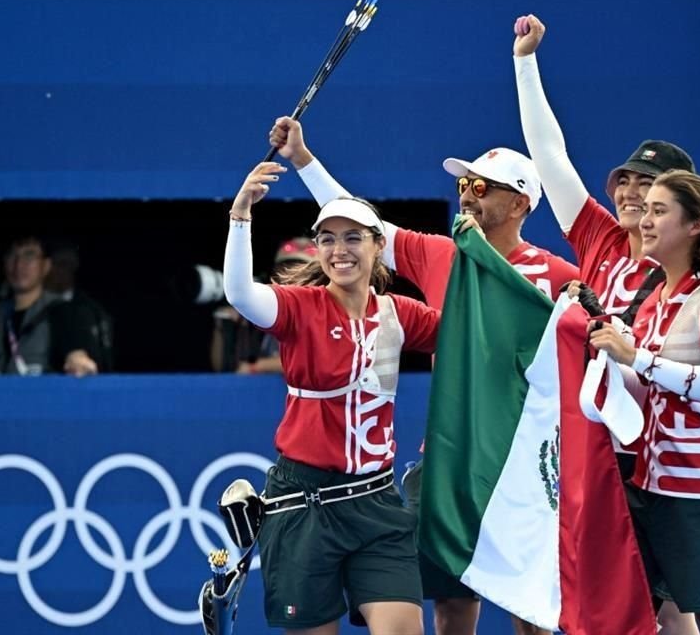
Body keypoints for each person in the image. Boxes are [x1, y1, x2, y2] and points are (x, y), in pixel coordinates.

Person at [270, 117, 578, 635]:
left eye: (482, 187)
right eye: (463, 185)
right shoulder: (443, 254)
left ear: (521, 203)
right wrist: (302, 159)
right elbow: (363, 225)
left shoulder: (560, 278)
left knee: (532, 613)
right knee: (452, 607)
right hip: (451, 464)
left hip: (524, 466)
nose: (468, 197)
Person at [511, 15, 700, 632]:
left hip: (659, 456)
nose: (627, 193)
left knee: (674, 607)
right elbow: (549, 155)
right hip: (597, 451)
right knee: (588, 597)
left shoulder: (697, 275)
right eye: (624, 181)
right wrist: (526, 62)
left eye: (646, 188)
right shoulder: (598, 237)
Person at [224, 162, 441, 634]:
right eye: (328, 238)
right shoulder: (298, 307)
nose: (339, 250)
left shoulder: (401, 314)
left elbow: (468, 337)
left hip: (378, 502)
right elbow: (239, 294)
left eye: (353, 238)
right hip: (305, 505)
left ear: (378, 246)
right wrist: (241, 215)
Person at [588, 170, 700, 635]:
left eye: (660, 211)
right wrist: (592, 355)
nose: (645, 220)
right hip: (653, 485)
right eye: (646, 210)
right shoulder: (655, 298)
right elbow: (643, 387)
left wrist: (634, 355)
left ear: (695, 225)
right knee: (657, 616)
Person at [0, 235, 101, 377]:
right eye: (12, 255)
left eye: (29, 256)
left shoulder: (65, 311)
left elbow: (77, 351)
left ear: (46, 265)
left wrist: (77, 360)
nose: (18, 265)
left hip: (42, 396)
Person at [211, 237, 317, 374]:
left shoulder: (329, 311)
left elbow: (317, 360)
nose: (292, 277)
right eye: (285, 270)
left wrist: (258, 367)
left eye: (302, 271)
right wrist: (223, 326)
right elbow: (222, 369)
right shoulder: (262, 311)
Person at [43, 239, 115, 373]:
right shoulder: (36, 308)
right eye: (56, 264)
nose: (59, 271)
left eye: (66, 264)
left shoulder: (91, 308)